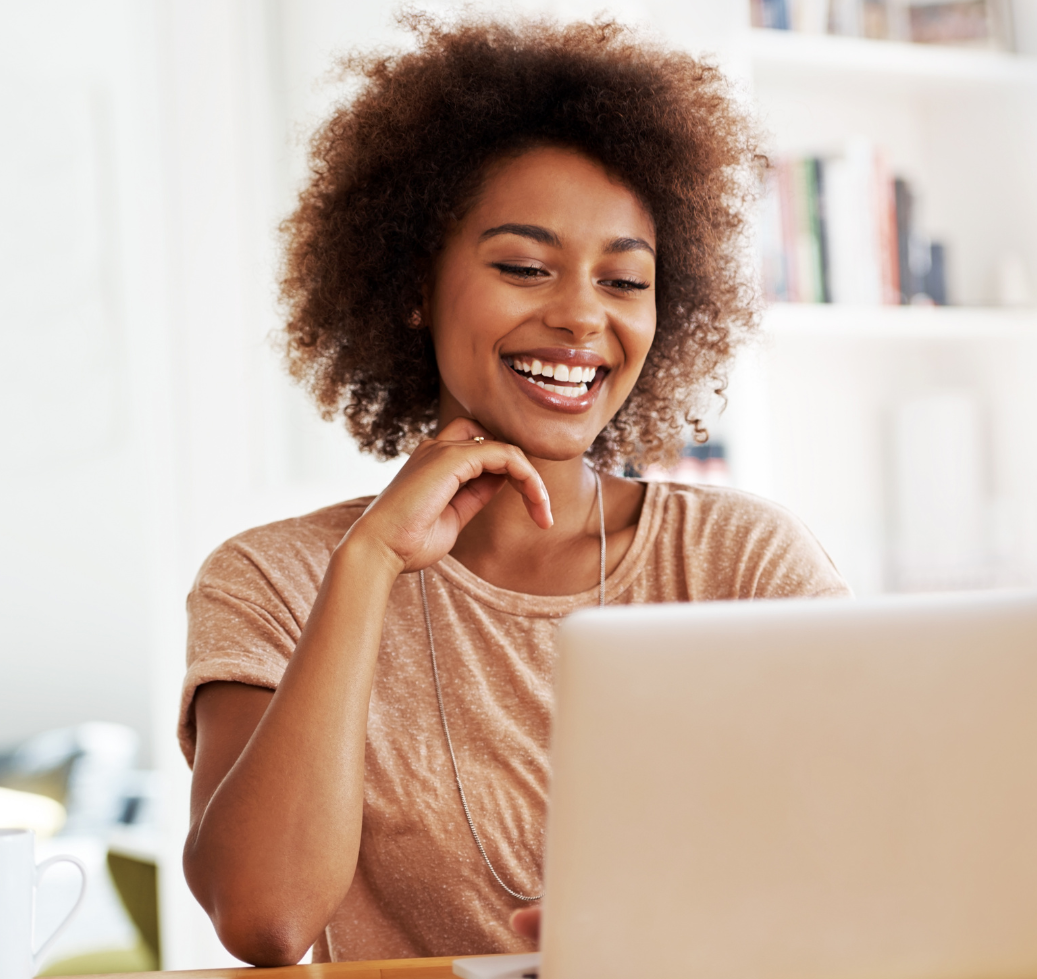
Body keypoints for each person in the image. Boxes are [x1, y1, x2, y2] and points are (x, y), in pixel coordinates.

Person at [179, 13, 850, 968]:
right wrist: (368, 563)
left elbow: (866, 865)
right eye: (524, 267)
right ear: (417, 285)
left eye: (623, 280)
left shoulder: (741, 564)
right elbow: (266, 917)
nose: (580, 316)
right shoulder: (272, 580)